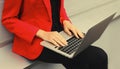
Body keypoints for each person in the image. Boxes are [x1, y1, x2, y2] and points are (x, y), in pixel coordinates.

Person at [2, 0, 108, 69]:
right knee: (98, 56)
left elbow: (58, 7)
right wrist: (42, 33)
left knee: (85, 62)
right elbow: (8, 19)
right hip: (38, 41)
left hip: (61, 34)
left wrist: (65, 21)